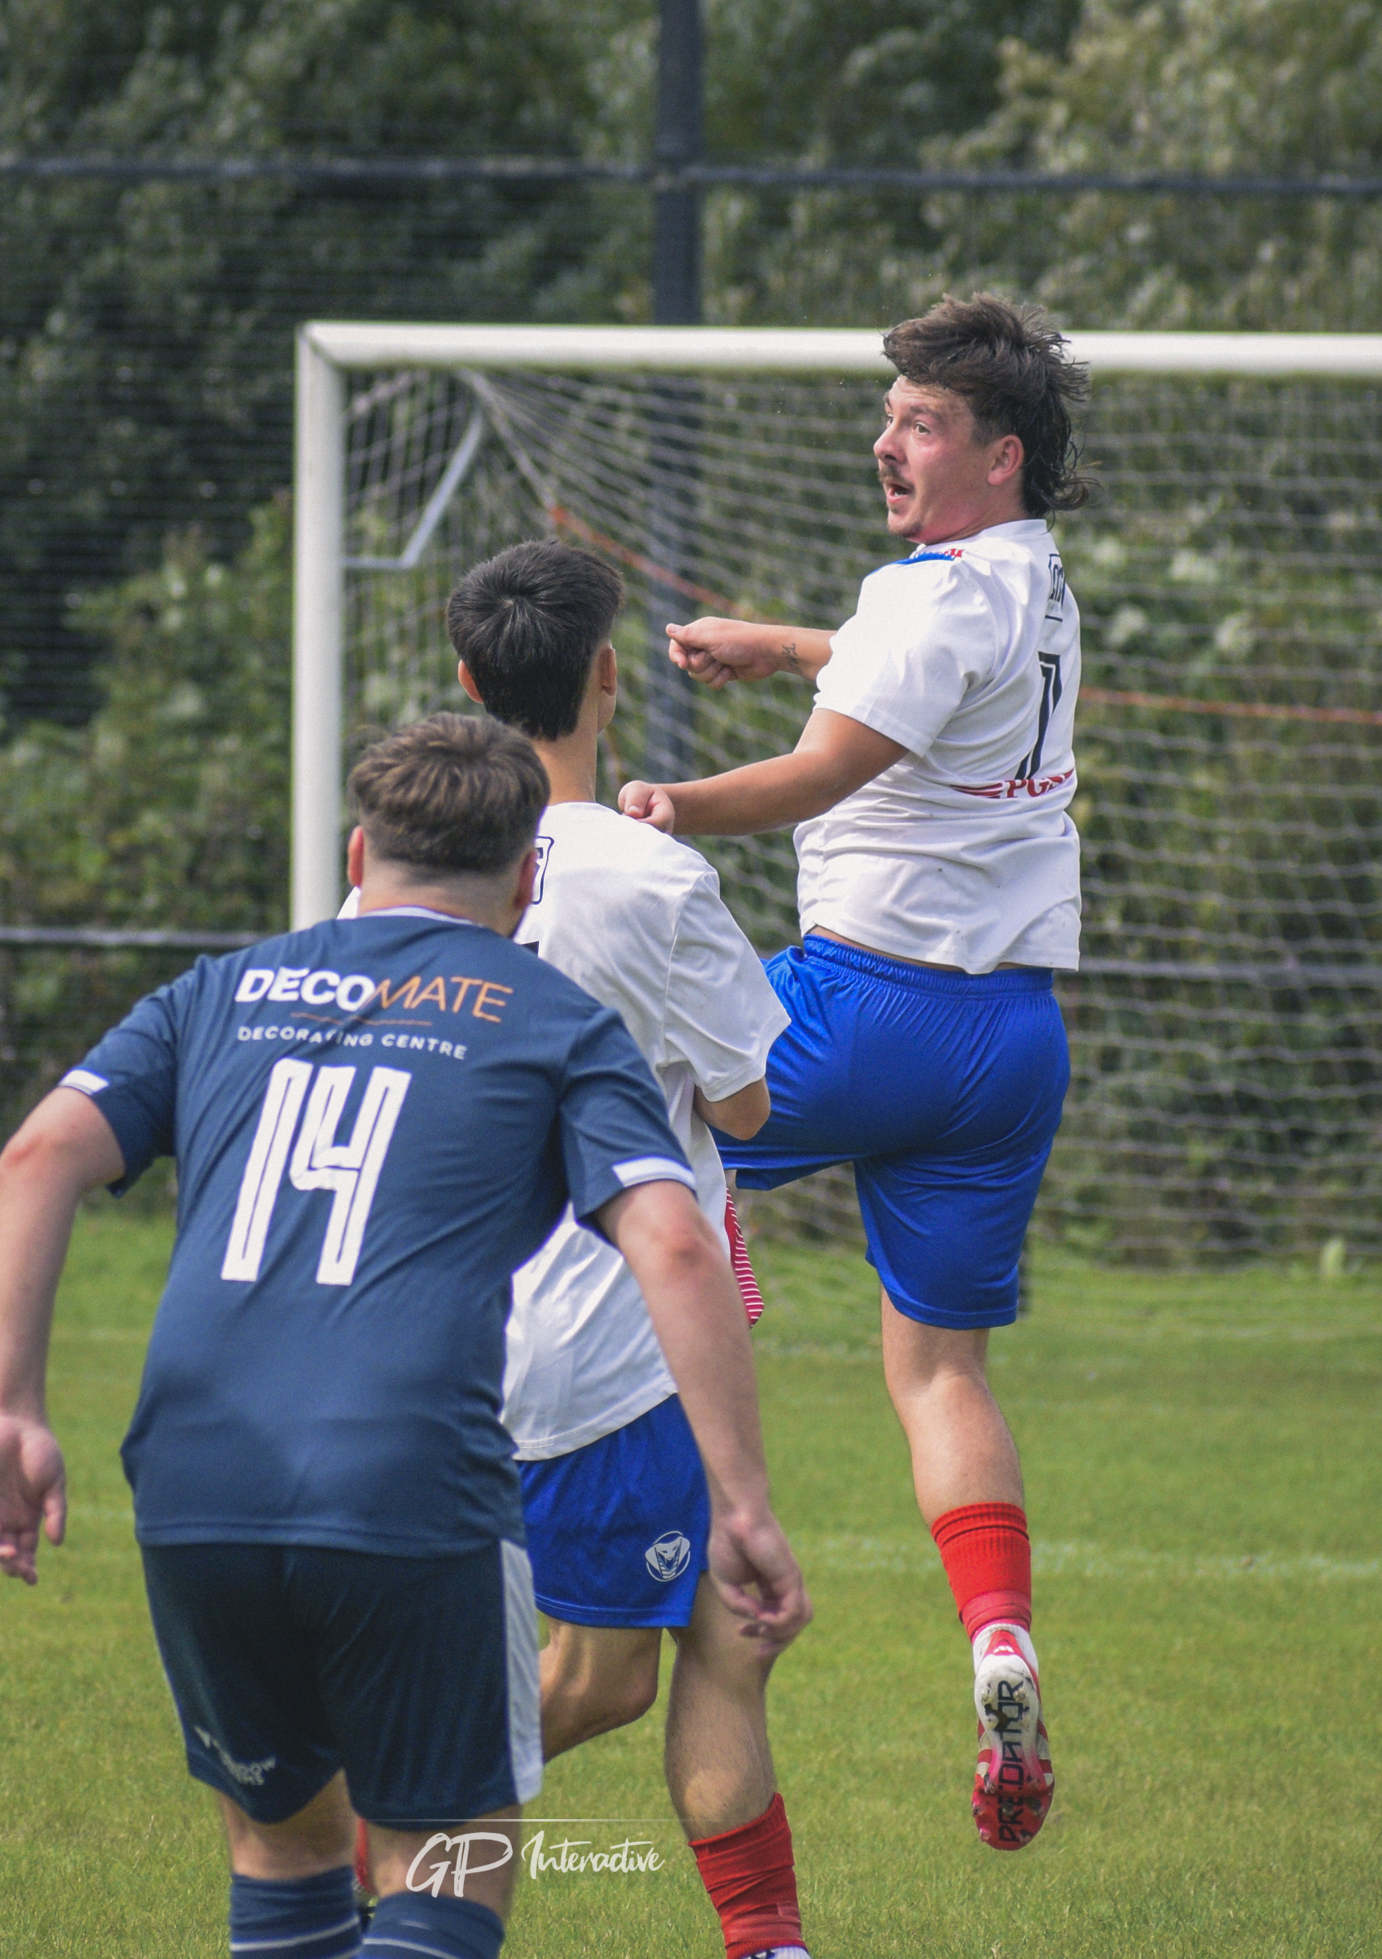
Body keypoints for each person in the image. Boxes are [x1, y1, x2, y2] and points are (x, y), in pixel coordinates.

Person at [0, 713, 810, 1959]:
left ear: (357, 855)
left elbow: (36, 1156)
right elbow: (676, 1245)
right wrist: (738, 1500)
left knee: (288, 1860)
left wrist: (9, 1408)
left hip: (193, 1473)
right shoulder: (550, 1016)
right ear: (525, 881)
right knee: (446, 1873)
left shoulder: (217, 988)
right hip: (407, 1475)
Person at [619, 292, 1089, 1854]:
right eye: (887, 415)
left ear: (996, 455)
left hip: (865, 1009)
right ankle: (999, 1643)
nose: (883, 442)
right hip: (1007, 1043)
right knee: (938, 1372)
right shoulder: (1034, 584)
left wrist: (667, 803)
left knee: (617, 1130)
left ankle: (700, 1262)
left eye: (919, 424)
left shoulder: (924, 594)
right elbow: (917, 669)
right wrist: (787, 643)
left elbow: (824, 769)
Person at [442, 541, 810, 1959]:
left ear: (467, 682)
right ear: (606, 674)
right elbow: (746, 1104)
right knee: (616, 1672)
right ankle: (362, 1829)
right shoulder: (651, 877)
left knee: (706, 1635)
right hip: (610, 1340)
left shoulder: (406, 872)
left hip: (446, 1326)